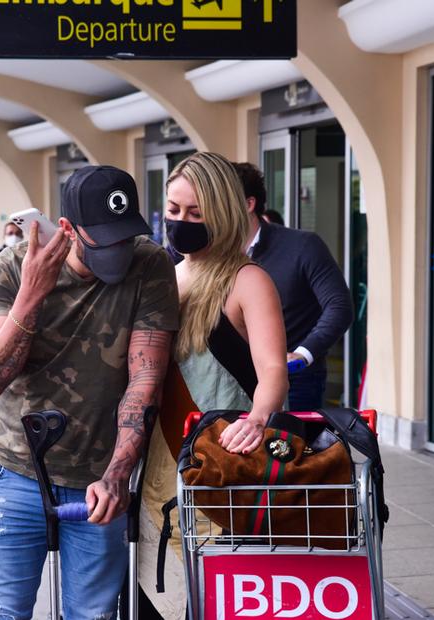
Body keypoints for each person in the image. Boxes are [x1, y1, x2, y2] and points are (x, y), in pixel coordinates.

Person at [0, 165, 178, 620]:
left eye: (126, 236)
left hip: (99, 479)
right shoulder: (10, 268)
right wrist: (31, 294)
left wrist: (118, 475)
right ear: (66, 228)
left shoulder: (150, 264)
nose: (118, 252)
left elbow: (145, 382)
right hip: (14, 472)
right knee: (2, 614)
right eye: (103, 240)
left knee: (94, 616)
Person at [138, 153, 290, 618]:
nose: (180, 222)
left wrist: (256, 420)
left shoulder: (248, 279)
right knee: (155, 581)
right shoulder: (164, 274)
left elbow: (273, 373)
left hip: (222, 466)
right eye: (173, 209)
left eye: (195, 213)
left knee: (218, 594)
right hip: (157, 469)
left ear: (223, 213)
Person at [234, 162, 353, 410]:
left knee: (291, 449)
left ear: (248, 204)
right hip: (233, 378)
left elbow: (339, 306)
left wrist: (303, 354)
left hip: (295, 381)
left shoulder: (302, 245)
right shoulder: (211, 253)